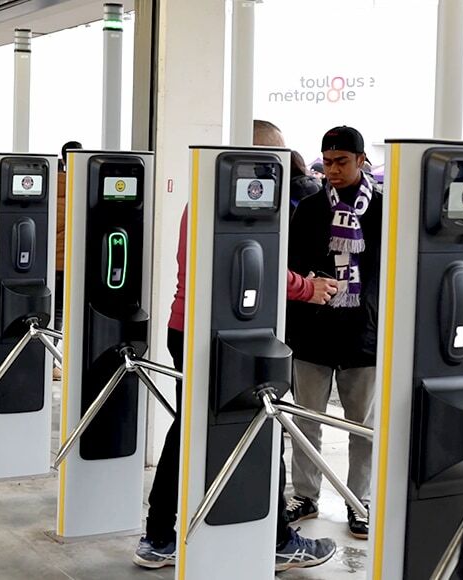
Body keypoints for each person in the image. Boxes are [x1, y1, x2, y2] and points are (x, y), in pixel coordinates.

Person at [134, 120, 337, 571]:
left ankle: (159, 537)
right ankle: (277, 541)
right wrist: (307, 288)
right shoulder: (234, 203)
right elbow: (251, 263)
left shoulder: (211, 197)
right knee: (262, 426)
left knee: (188, 430)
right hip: (216, 333)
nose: (282, 166)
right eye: (276, 156)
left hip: (192, 328)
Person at [285, 126, 382, 540]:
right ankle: (305, 495)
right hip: (313, 332)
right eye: (327, 162)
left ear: (361, 160)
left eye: (341, 161)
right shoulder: (310, 208)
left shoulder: (383, 210)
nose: (333, 170)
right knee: (306, 421)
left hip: (364, 334)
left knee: (364, 427)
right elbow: (290, 262)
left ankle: (360, 502)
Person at [53, 140, 82, 381]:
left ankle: (48, 359)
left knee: (51, 314)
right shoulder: (79, 191)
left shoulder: (52, 188)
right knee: (61, 315)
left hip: (48, 264)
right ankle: (53, 362)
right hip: (70, 265)